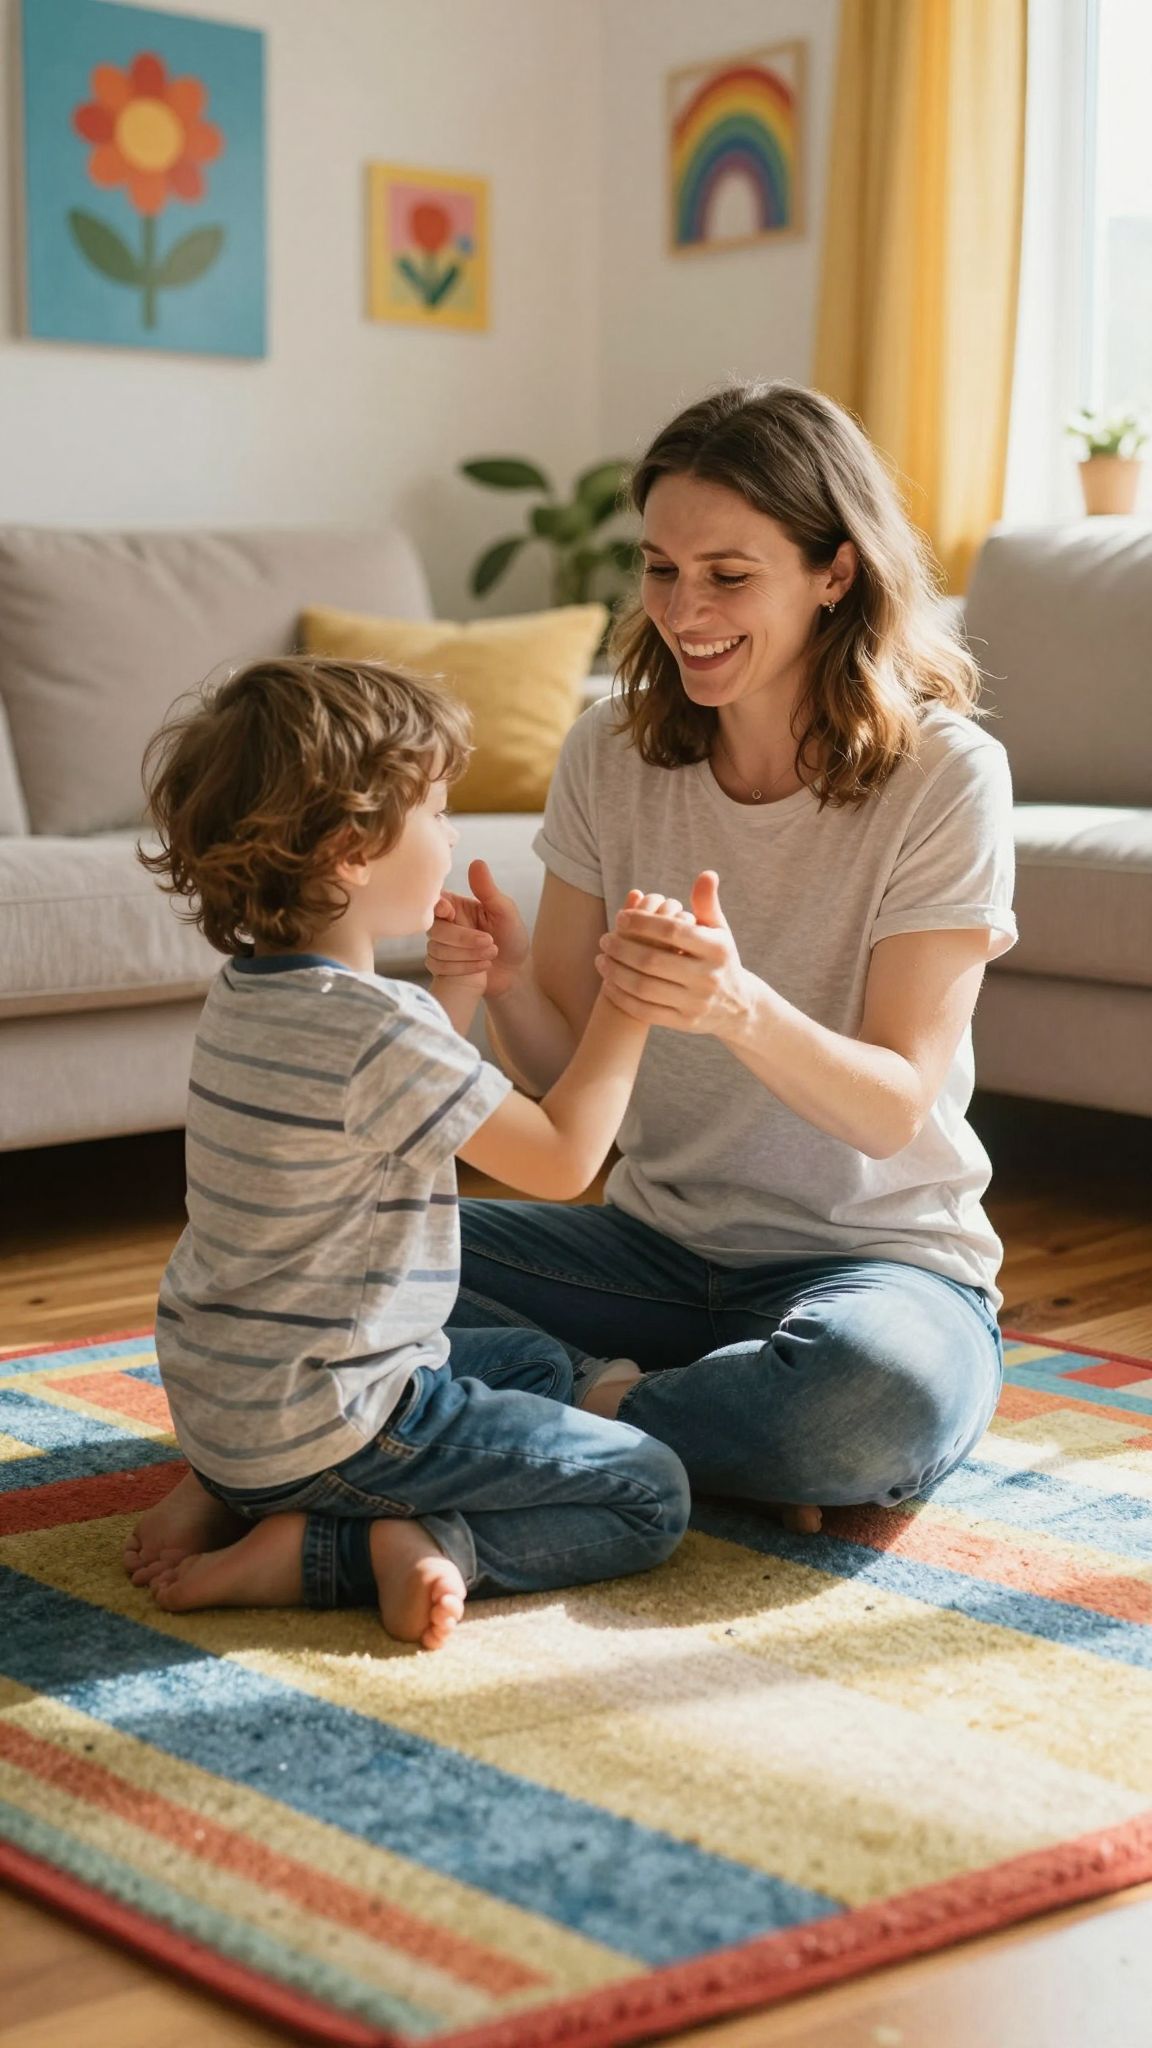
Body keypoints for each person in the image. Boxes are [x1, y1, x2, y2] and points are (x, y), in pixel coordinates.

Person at [427, 381, 1017, 1531]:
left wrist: (738, 1005)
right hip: (650, 1250)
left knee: (873, 1400)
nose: (682, 608)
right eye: (659, 569)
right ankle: (661, 1416)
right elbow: (557, 1078)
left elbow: (894, 1107)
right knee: (330, 1257)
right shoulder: (609, 750)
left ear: (834, 571)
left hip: (877, 1267)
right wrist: (505, 985)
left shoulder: (946, 776)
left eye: (728, 575)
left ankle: (553, 1418)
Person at [123, 657, 690, 1650]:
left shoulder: (250, 996)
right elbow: (564, 1159)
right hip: (335, 1419)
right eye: (436, 809)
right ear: (349, 849)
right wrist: (629, 1007)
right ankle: (340, 1548)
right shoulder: (379, 1033)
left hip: (229, 1397)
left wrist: (456, 993)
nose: (454, 832)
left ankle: (227, 1489)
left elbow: (387, 1115)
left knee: (520, 1358)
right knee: (649, 1490)